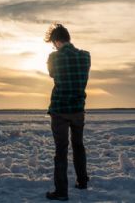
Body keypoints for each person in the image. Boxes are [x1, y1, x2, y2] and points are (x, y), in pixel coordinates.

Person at [44, 23, 91, 201]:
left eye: (53, 43)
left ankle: (61, 191)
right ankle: (82, 180)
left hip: (60, 109)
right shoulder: (86, 56)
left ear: (56, 41)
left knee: (61, 150)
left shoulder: (53, 57)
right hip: (78, 109)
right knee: (78, 145)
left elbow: (52, 75)